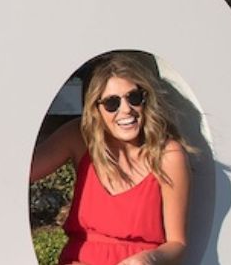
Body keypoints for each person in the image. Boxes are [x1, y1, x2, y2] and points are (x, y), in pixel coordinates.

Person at [31, 52, 191, 265]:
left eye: (134, 98)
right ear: (95, 109)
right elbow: (22, 172)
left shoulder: (168, 156)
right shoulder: (79, 138)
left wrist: (149, 259)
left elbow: (177, 244)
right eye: (112, 103)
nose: (126, 110)